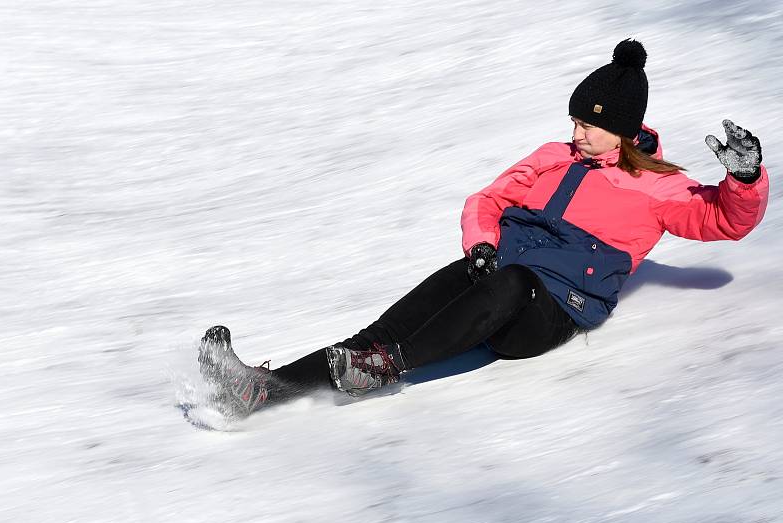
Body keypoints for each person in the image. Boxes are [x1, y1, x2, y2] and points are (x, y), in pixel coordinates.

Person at [197, 39, 769, 421]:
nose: (577, 133)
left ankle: (389, 367)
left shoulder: (658, 186)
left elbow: (722, 219)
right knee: (390, 323)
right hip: (500, 271)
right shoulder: (553, 155)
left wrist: (746, 178)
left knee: (514, 282)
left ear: (622, 130)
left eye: (590, 125)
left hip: (553, 307)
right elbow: (490, 199)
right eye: (574, 120)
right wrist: (480, 245)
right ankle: (260, 391)